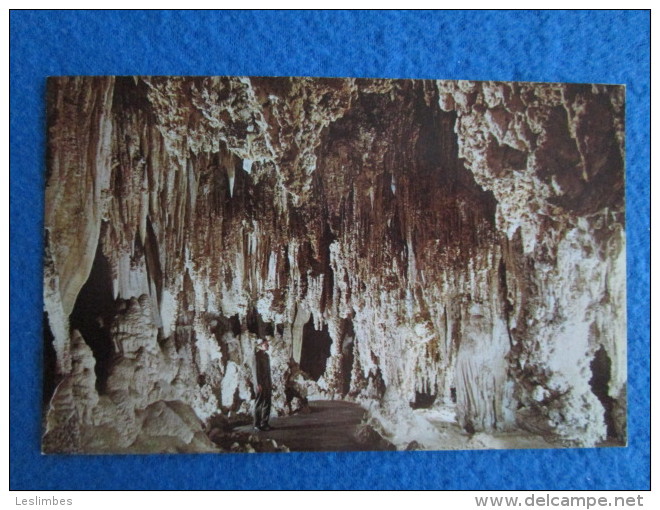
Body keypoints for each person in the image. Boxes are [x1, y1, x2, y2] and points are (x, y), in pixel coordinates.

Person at [252, 338, 274, 431]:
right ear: (260, 346)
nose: (268, 346)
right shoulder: (256, 356)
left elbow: (268, 372)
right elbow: (255, 371)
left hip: (267, 383)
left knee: (267, 402)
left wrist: (270, 383)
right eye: (266, 344)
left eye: (267, 344)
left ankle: (264, 423)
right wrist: (258, 384)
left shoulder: (266, 356)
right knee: (259, 403)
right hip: (260, 384)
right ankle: (257, 424)